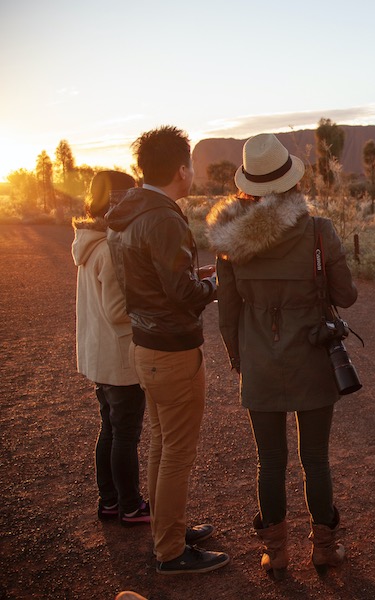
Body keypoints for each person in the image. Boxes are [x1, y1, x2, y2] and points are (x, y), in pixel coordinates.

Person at [205, 133, 358, 580]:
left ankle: (276, 552)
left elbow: (227, 312)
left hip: (258, 357)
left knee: (269, 461)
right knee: (316, 458)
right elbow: (346, 296)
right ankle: (325, 550)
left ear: (247, 185)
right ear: (291, 180)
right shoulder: (318, 230)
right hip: (312, 355)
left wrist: (240, 357)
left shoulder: (229, 240)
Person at [106, 125, 228, 575]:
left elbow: (157, 279)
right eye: (191, 164)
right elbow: (182, 294)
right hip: (173, 351)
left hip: (146, 346)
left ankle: (167, 531)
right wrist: (215, 282)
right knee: (177, 452)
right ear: (182, 169)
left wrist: (198, 274)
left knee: (161, 444)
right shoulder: (163, 217)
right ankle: (171, 552)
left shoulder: (128, 212)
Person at [73, 170, 151, 528]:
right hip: (120, 359)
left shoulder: (88, 242)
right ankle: (132, 506)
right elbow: (119, 312)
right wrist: (156, 299)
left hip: (97, 356)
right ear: (120, 200)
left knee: (110, 428)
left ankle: (109, 502)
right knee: (125, 434)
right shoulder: (109, 247)